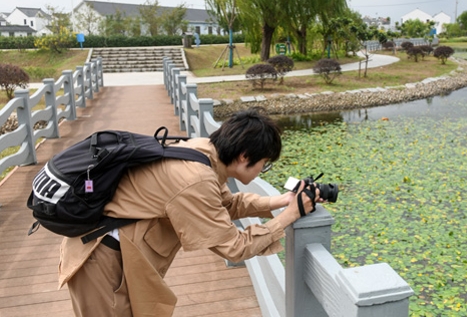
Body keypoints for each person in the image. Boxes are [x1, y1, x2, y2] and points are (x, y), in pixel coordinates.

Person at [58, 108, 319, 316]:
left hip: (117, 254)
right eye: (263, 165)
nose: (262, 170)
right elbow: (234, 247)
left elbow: (223, 205)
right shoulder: (196, 179)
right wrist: (289, 216)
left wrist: (280, 201)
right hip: (102, 260)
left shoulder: (202, 150)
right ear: (243, 156)